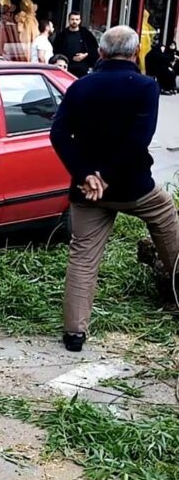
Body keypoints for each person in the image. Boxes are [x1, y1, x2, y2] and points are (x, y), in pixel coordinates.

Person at [50, 25, 179, 352]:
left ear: (101, 53)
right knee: (167, 220)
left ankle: (74, 335)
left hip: (88, 191)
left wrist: (86, 175)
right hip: (133, 188)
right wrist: (105, 176)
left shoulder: (80, 87)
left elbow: (59, 135)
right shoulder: (145, 86)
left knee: (83, 257)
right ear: (135, 53)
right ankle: (177, 288)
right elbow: (139, 140)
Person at [52, 12, 99, 78]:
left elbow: (95, 49)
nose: (74, 21)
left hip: (82, 69)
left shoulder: (86, 34)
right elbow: (56, 51)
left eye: (77, 19)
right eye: (72, 19)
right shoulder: (62, 35)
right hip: (67, 69)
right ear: (69, 20)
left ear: (80, 21)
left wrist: (85, 55)